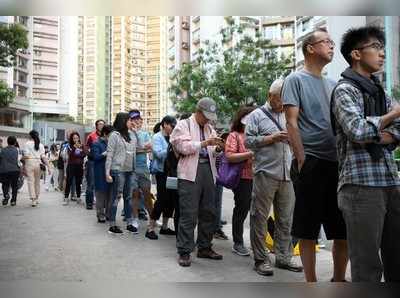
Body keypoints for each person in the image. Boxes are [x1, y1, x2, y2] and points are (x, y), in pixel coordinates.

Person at [332, 26, 400, 282]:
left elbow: (396, 130)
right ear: (356, 54)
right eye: (376, 47)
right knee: (367, 265)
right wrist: (391, 117)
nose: (382, 54)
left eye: (383, 48)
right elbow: (357, 130)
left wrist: (385, 131)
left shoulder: (381, 92)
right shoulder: (344, 90)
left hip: (390, 181)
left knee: (397, 258)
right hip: (360, 186)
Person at [282, 28, 348, 282]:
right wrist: (301, 158)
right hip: (311, 161)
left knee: (342, 227)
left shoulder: (334, 85)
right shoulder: (295, 79)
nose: (332, 46)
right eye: (327, 42)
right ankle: (311, 282)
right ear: (310, 48)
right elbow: (291, 121)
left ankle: (339, 279)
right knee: (307, 228)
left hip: (337, 164)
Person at [246, 79, 303, 276]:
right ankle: (261, 259)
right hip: (265, 173)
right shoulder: (256, 115)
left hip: (288, 174)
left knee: (286, 219)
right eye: (280, 99)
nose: (283, 103)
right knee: (259, 218)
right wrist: (271, 138)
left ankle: (283, 258)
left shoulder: (290, 114)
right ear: (270, 96)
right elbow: (248, 141)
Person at [170, 97, 225, 267]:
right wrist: (204, 143)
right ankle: (184, 251)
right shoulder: (183, 124)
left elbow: (212, 152)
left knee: (209, 210)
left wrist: (217, 148)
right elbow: (182, 147)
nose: (208, 119)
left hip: (208, 170)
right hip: (189, 173)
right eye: (206, 115)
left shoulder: (209, 127)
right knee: (189, 213)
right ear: (198, 111)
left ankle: (205, 247)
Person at [224, 106, 256, 256]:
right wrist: (249, 154)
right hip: (242, 178)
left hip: (259, 177)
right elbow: (229, 156)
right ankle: (238, 242)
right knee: (242, 209)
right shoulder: (235, 135)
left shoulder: (256, 135)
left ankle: (256, 244)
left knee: (256, 212)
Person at [105, 112, 136, 235]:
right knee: (116, 197)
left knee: (128, 198)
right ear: (123, 121)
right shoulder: (114, 135)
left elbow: (134, 150)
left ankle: (129, 223)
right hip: (118, 170)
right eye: (129, 120)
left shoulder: (132, 135)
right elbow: (110, 154)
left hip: (130, 170)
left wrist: (135, 130)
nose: (131, 122)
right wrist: (107, 173)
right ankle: (112, 225)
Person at [127, 110, 157, 239]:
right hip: (131, 169)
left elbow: (150, 148)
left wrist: (141, 149)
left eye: (139, 119)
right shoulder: (128, 134)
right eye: (134, 119)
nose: (137, 121)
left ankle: (152, 219)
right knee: (134, 194)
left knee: (147, 195)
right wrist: (142, 149)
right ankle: (135, 219)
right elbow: (131, 150)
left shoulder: (145, 134)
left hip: (144, 169)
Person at [148, 115, 178, 238]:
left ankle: (165, 227)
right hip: (161, 172)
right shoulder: (157, 137)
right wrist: (172, 147)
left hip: (172, 172)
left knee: (170, 200)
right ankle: (150, 228)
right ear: (165, 124)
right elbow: (159, 154)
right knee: (161, 199)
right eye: (172, 125)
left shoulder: (172, 137)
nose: (173, 128)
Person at [22, 130, 49, 207]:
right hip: (38, 163)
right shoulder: (40, 145)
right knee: (37, 182)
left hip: (29, 163)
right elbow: (43, 157)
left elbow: (26, 155)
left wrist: (22, 158)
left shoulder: (27, 144)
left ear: (30, 136)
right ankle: (36, 198)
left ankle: (33, 199)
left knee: (31, 181)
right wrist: (49, 167)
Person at [92, 125, 113, 223]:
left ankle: (108, 214)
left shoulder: (111, 143)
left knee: (109, 193)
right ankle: (100, 214)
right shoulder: (96, 143)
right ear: (105, 134)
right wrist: (105, 153)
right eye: (111, 135)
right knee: (100, 194)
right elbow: (95, 157)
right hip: (100, 171)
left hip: (110, 171)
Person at [86, 119, 105, 209]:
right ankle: (89, 203)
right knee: (91, 182)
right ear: (96, 126)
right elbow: (86, 148)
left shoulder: (106, 136)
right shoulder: (91, 136)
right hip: (92, 162)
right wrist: (92, 155)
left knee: (102, 183)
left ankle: (102, 204)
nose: (101, 126)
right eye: (100, 124)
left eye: (103, 124)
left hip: (103, 161)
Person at [63, 132, 86, 205]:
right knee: (69, 181)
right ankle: (66, 198)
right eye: (74, 138)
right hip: (71, 166)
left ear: (79, 138)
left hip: (79, 166)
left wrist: (79, 152)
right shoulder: (69, 146)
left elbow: (84, 154)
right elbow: (71, 155)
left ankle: (78, 198)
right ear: (72, 139)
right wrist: (74, 147)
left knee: (78, 182)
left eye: (77, 138)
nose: (76, 139)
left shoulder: (82, 145)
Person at [0, 136, 21, 206]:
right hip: (15, 170)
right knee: (14, 185)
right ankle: (13, 201)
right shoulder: (17, 150)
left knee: (5, 184)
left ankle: (6, 195)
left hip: (4, 170)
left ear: (7, 142)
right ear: (15, 142)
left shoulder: (2, 150)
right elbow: (19, 161)